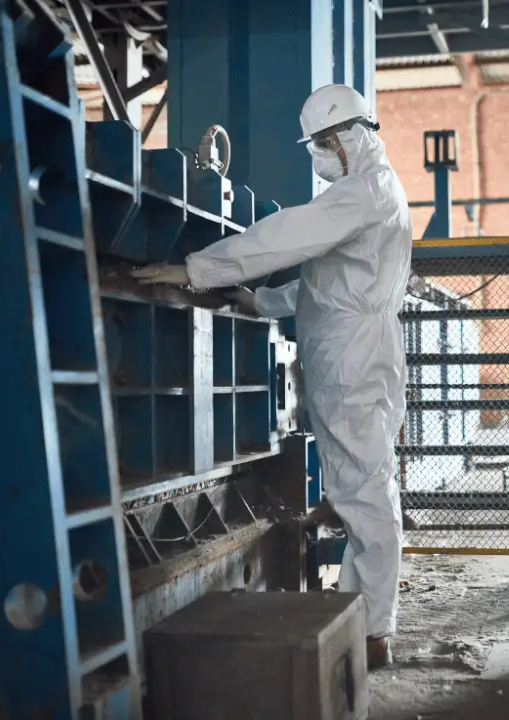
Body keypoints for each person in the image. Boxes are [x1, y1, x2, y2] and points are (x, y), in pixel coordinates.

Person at [131, 84, 412, 668]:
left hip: (355, 361)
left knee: (367, 493)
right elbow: (324, 287)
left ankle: (374, 631)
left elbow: (286, 236)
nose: (320, 155)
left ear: (349, 138)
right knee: (360, 487)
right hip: (348, 356)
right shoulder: (367, 194)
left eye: (323, 144)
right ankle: (362, 617)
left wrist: (197, 269)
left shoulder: (363, 192)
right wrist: (260, 302)